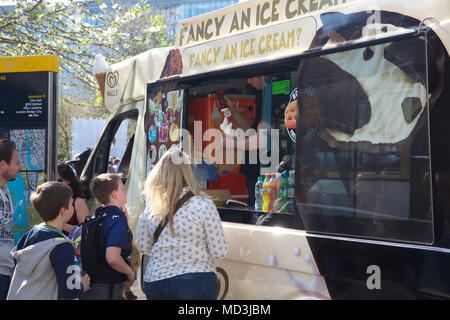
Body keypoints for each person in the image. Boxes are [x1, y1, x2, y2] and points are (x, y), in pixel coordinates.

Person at [138, 149, 229, 300]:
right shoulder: (203, 205)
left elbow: (144, 247)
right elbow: (219, 251)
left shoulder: (151, 208)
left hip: (156, 281)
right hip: (195, 282)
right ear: (188, 172)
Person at [7, 181, 90, 300]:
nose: (73, 207)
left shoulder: (30, 234)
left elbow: (13, 267)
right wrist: (82, 285)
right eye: (71, 204)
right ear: (63, 210)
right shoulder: (63, 246)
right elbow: (69, 292)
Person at [81, 173, 133, 300]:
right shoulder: (116, 221)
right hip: (107, 288)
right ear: (114, 194)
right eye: (122, 188)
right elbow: (112, 258)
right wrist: (130, 272)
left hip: (92, 284)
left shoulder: (97, 218)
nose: (125, 191)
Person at [223, 76, 267, 207]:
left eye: (251, 77)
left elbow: (259, 140)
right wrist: (233, 111)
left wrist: (231, 143)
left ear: (263, 76)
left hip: (263, 168)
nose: (248, 81)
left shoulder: (271, 98)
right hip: (253, 169)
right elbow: (251, 128)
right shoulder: (262, 97)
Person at [0, 140, 22, 300]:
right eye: (16, 162)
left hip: (6, 271)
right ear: (3, 165)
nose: (20, 167)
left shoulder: (5, 191)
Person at [57, 163, 90, 236]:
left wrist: (59, 224)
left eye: (59, 181)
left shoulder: (78, 202)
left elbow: (86, 231)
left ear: (68, 181)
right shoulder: (53, 200)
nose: (55, 184)